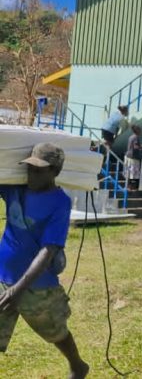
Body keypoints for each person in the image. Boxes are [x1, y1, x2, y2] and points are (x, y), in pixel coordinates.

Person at [0, 143, 89, 378]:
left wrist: (19, 289)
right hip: (3, 278)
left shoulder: (60, 202)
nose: (32, 175)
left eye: (39, 171)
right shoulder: (14, 190)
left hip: (37, 286)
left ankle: (77, 365)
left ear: (55, 172)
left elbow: (48, 250)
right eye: (30, 169)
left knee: (56, 332)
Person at [125, 125, 142, 191]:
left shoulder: (131, 136)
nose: (141, 131)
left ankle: (128, 186)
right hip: (133, 157)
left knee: (129, 172)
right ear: (137, 130)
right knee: (133, 173)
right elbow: (135, 147)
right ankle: (131, 187)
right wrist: (141, 148)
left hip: (128, 156)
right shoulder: (136, 137)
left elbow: (135, 146)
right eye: (140, 130)